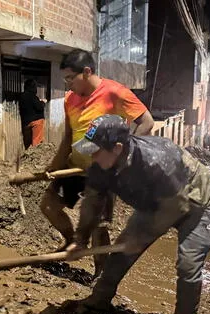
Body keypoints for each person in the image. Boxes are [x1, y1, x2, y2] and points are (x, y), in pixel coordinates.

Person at [65, 114, 210, 314]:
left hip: (196, 200)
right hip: (154, 203)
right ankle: (99, 299)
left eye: (96, 150)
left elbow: (176, 207)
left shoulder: (157, 162)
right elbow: (92, 203)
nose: (91, 156)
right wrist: (80, 240)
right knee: (120, 252)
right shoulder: (101, 166)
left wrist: (140, 239)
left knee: (189, 264)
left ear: (117, 148)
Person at [40, 49, 155, 274]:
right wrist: (54, 166)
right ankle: (71, 240)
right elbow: (68, 137)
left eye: (70, 78)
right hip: (74, 167)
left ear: (86, 71)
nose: (67, 84)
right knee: (48, 205)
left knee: (98, 227)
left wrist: (124, 158)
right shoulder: (69, 100)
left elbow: (147, 122)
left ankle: (100, 275)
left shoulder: (114, 92)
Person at [19, 79, 46, 149]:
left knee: (27, 145)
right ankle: (35, 159)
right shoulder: (33, 97)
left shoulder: (22, 97)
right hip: (36, 122)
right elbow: (39, 107)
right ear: (33, 87)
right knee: (36, 144)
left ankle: (27, 158)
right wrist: (43, 103)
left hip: (26, 124)